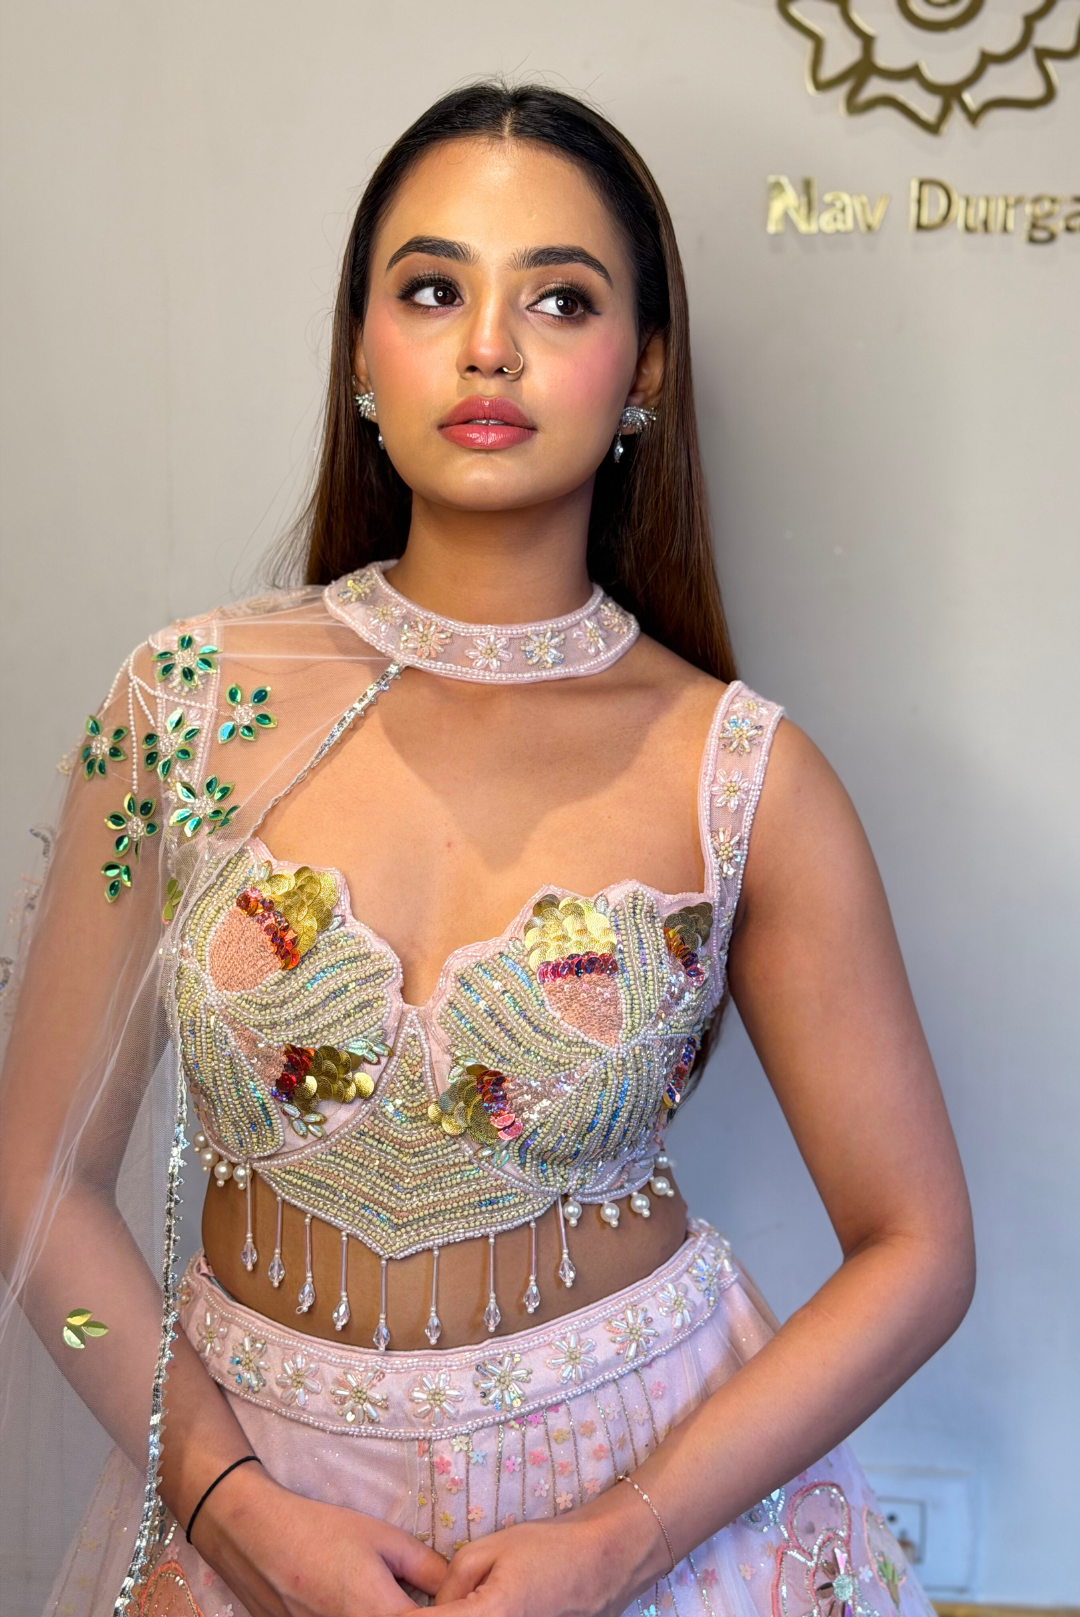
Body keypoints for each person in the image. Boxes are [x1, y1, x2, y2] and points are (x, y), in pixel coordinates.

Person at [0, 81, 974, 1617]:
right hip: (242, 1502)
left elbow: (918, 1251)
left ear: (644, 366)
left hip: (652, 1513)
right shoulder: (175, 714)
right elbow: (33, 1198)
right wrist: (230, 1508)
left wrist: (627, 1538)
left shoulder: (742, 776)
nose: (491, 348)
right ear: (361, 349)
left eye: (560, 298)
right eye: (434, 289)